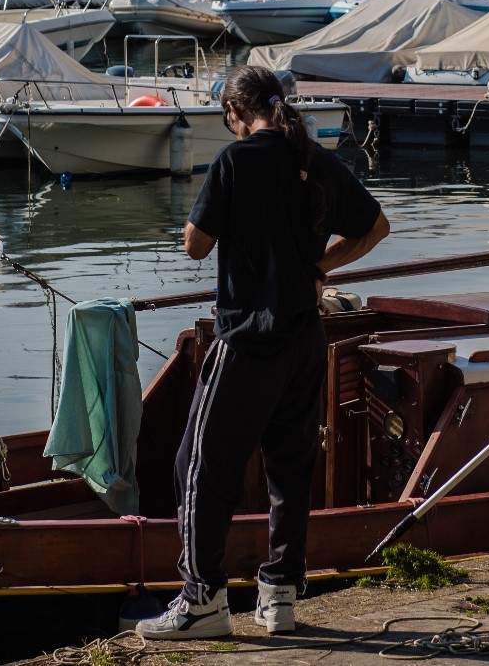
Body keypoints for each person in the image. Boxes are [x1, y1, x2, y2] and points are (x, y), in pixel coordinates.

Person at [139, 65, 390, 641]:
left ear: (234, 111)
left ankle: (202, 600)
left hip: (249, 338)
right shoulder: (314, 158)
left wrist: (197, 222)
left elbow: (197, 246)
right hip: (306, 338)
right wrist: (316, 267)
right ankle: (279, 598)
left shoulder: (235, 160)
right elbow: (375, 227)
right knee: (289, 468)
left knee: (198, 467)